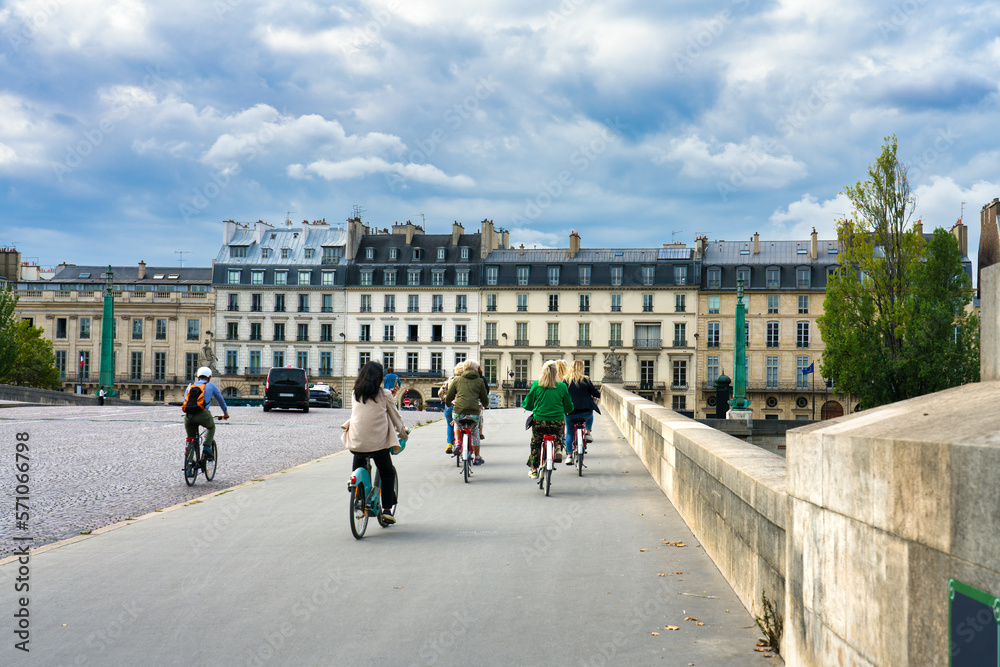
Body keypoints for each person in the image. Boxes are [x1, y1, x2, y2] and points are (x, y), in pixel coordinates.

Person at [341, 361, 409, 525]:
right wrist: (403, 433)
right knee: (387, 473)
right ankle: (386, 510)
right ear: (379, 378)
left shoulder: (355, 393)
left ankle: (355, 484)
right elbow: (395, 417)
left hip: (356, 442)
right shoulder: (385, 394)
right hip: (378, 446)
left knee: (359, 455)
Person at [522, 362, 574, 478]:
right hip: (557, 420)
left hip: (540, 421)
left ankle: (534, 469)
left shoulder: (536, 385)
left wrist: (530, 406)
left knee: (536, 443)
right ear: (556, 373)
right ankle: (559, 448)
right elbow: (568, 406)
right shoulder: (562, 386)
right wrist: (565, 409)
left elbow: (528, 404)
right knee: (559, 432)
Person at [445, 360, 489, 465]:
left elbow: (449, 397)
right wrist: (485, 404)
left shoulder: (457, 380)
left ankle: (458, 443)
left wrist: (448, 404)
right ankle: (477, 457)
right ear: (475, 369)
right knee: (475, 433)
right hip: (474, 413)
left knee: (456, 423)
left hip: (459, 411)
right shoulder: (480, 381)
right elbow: (485, 399)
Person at [181, 367, 230, 462]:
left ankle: (189, 465)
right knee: (211, 427)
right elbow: (221, 400)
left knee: (191, 439)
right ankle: (207, 446)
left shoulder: (190, 386)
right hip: (203, 415)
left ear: (198, 377)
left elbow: (184, 401)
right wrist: (225, 413)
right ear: (209, 377)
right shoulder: (211, 386)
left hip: (189, 416)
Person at [563, 360, 601, 465]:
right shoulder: (586, 380)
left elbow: (562, 395)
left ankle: (569, 456)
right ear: (582, 368)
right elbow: (596, 394)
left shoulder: (565, 380)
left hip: (570, 412)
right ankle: (588, 432)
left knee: (570, 432)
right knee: (590, 411)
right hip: (585, 412)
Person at [441, 363, 464, 454]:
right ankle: (463, 443)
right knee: (462, 423)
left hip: (450, 406)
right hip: (462, 406)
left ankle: (450, 444)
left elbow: (440, 392)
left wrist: (443, 399)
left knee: (450, 425)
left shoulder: (450, 380)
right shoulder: (466, 381)